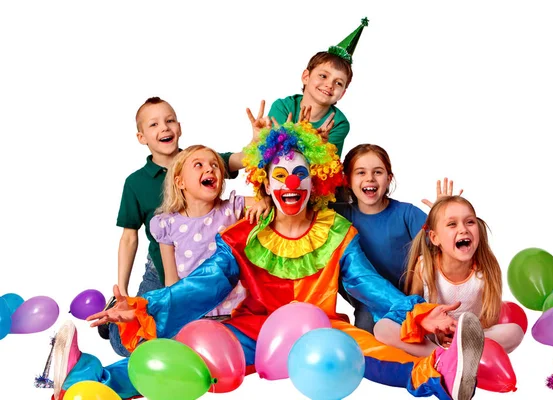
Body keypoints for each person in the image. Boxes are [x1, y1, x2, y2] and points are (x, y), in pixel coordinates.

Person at [51, 122, 485, 400]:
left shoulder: (336, 232)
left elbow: (369, 285)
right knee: (186, 356)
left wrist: (419, 313)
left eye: (301, 174)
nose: (291, 184)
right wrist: (146, 306)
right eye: (280, 175)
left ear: (315, 181)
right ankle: (85, 379)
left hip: (320, 328)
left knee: (366, 348)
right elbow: (199, 286)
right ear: (264, 181)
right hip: (252, 329)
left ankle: (440, 373)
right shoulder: (242, 237)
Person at [102, 97, 248, 356]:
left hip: (207, 270)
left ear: (179, 127)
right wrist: (122, 288)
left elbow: (242, 159)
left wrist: (258, 142)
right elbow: (129, 238)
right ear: (141, 136)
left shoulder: (201, 162)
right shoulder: (136, 183)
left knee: (205, 337)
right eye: (154, 124)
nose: (164, 128)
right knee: (132, 343)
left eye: (170, 121)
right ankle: (116, 318)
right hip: (162, 270)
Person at [374, 196, 524, 357]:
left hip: (469, 337)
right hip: (432, 339)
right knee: (382, 327)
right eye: (452, 224)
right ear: (434, 238)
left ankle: (457, 354)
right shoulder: (424, 267)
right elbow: (413, 311)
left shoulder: (485, 271)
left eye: (470, 222)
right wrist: (434, 332)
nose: (463, 229)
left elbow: (489, 319)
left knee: (514, 331)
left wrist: (461, 333)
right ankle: (439, 356)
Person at [333, 144, 460, 334]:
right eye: (361, 172)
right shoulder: (339, 215)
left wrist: (444, 215)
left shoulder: (406, 213)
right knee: (368, 345)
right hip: (369, 304)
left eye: (378, 172)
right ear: (348, 180)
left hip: (412, 298)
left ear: (389, 178)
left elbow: (441, 246)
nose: (370, 178)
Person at [150, 144, 271, 318]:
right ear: (180, 182)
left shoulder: (232, 208)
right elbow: (171, 282)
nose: (210, 169)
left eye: (215, 165)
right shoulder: (167, 224)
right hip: (194, 315)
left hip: (236, 312)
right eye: (198, 165)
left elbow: (274, 200)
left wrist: (264, 202)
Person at [268, 18, 369, 157]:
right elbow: (271, 154)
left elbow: (327, 167)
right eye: (323, 76)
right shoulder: (282, 107)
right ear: (306, 77)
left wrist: (320, 146)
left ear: (343, 93)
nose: (329, 85)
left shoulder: (339, 123)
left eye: (338, 83)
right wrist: (300, 136)